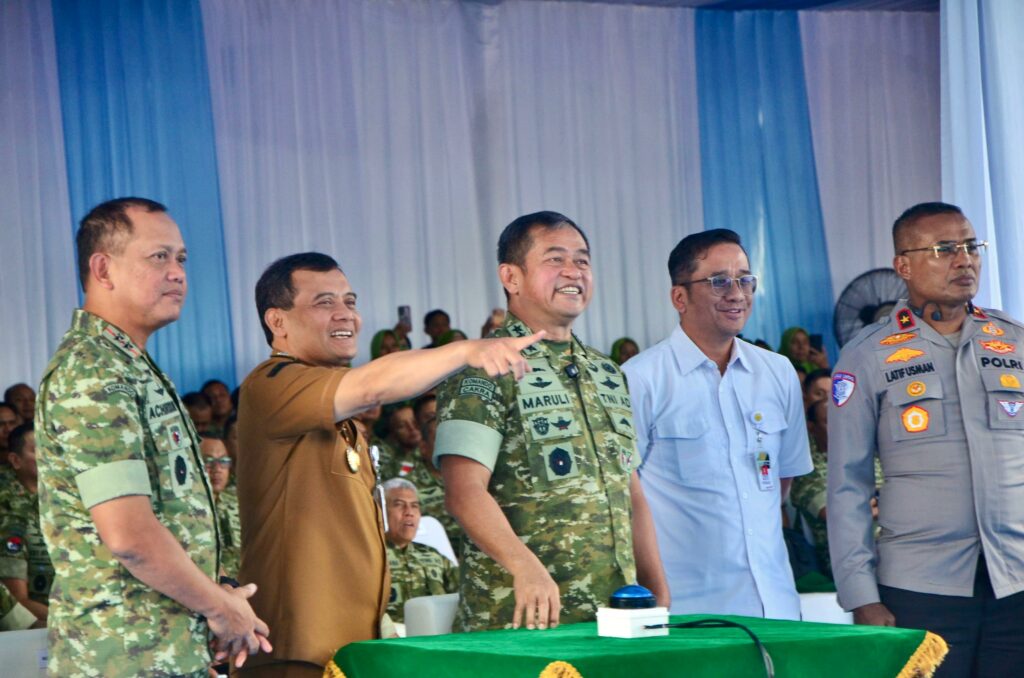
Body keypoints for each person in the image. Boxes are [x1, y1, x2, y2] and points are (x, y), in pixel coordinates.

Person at [236, 251, 540, 676]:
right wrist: (468, 350)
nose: (346, 315)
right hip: (297, 651)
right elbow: (373, 384)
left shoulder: (339, 416)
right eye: (324, 303)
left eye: (351, 301)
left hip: (348, 651)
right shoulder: (271, 386)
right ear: (278, 321)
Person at [35, 197, 270, 676]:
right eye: (158, 257)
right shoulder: (93, 371)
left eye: (181, 258)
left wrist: (213, 598)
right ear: (103, 269)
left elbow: (170, 519)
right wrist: (222, 611)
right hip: (122, 657)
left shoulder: (128, 364)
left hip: (162, 650)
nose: (178, 272)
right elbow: (130, 536)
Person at [435, 211, 669, 632]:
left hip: (614, 617)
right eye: (555, 259)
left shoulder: (607, 371)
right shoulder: (484, 366)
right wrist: (525, 567)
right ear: (511, 277)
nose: (572, 272)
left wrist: (657, 587)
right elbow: (464, 492)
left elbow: (630, 491)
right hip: (521, 621)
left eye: (582, 260)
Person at [828, 201, 1024, 675]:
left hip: (1016, 583)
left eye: (971, 246)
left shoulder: (1014, 342)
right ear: (904, 266)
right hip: (919, 591)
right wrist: (860, 597)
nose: (965, 260)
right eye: (944, 249)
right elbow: (848, 486)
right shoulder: (866, 356)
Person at [623, 228, 812, 619]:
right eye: (719, 281)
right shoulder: (640, 379)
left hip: (775, 604)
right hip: (689, 610)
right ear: (680, 297)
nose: (737, 293)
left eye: (745, 280)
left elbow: (780, 479)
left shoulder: (778, 373)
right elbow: (625, 493)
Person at [382, 478, 458, 623]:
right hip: (389, 639)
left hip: (435, 637)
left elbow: (463, 593)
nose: (409, 512)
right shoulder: (369, 556)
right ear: (380, 512)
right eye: (399, 505)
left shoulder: (433, 555)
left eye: (414, 506)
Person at [0, 423, 53, 623]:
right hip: (40, 627)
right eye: (38, 450)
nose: (48, 457)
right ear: (15, 460)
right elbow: (18, 599)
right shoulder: (9, 513)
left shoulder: (61, 502)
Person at [201, 436, 241, 579]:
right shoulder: (187, 510)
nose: (217, 469)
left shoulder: (239, 501)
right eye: (208, 461)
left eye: (223, 461)